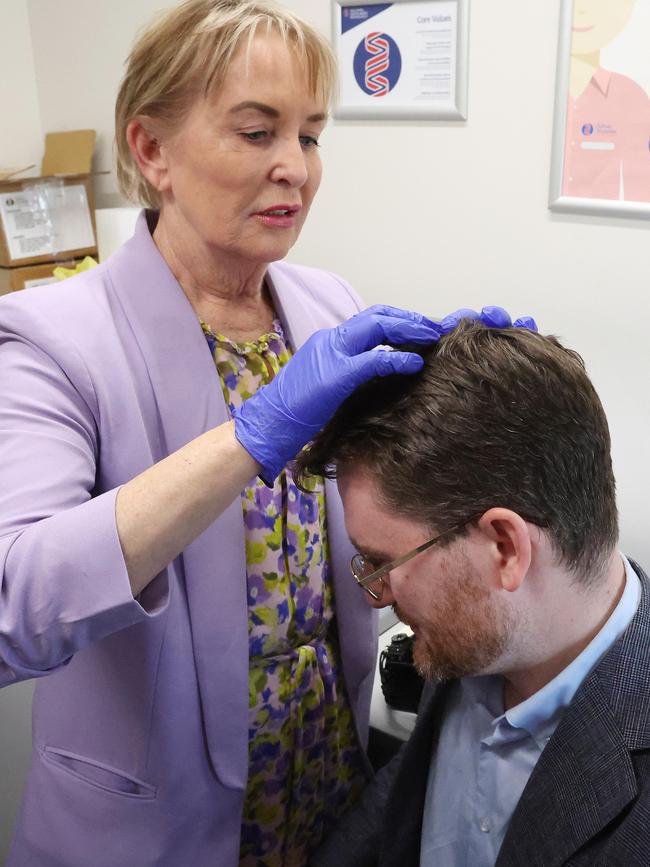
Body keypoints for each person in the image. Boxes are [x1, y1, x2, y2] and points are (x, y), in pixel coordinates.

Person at [0, 2, 528, 865]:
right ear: (151, 150)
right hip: (153, 821)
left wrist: (476, 392)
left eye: (311, 136)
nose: (295, 168)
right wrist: (252, 436)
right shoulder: (54, 338)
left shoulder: (327, 306)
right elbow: (13, 606)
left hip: (324, 777)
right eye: (256, 132)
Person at [296, 321, 650, 866]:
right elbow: (399, 810)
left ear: (505, 547)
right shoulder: (484, 636)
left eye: (386, 562)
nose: (374, 595)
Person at [564, 0, 650, 201]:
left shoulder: (631, 97)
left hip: (599, 227)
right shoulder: (535, 90)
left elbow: (641, 193)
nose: (581, 8)